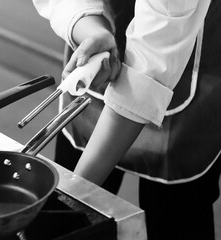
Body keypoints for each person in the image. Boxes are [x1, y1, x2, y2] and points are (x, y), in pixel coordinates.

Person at [32, 0, 221, 239]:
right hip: (95, 55)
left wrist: (69, 197)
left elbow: (152, 61)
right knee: (76, 210)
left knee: (175, 215)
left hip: (188, 59)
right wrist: (92, 30)